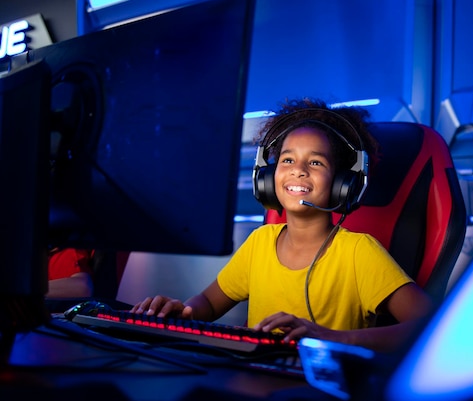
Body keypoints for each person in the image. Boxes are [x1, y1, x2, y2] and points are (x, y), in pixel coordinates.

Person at [131, 98, 433, 352]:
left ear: (343, 184)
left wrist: (332, 338)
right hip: (256, 380)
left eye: (316, 163)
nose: (298, 171)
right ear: (267, 177)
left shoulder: (358, 253)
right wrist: (181, 312)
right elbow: (209, 302)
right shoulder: (259, 242)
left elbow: (430, 325)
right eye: (287, 160)